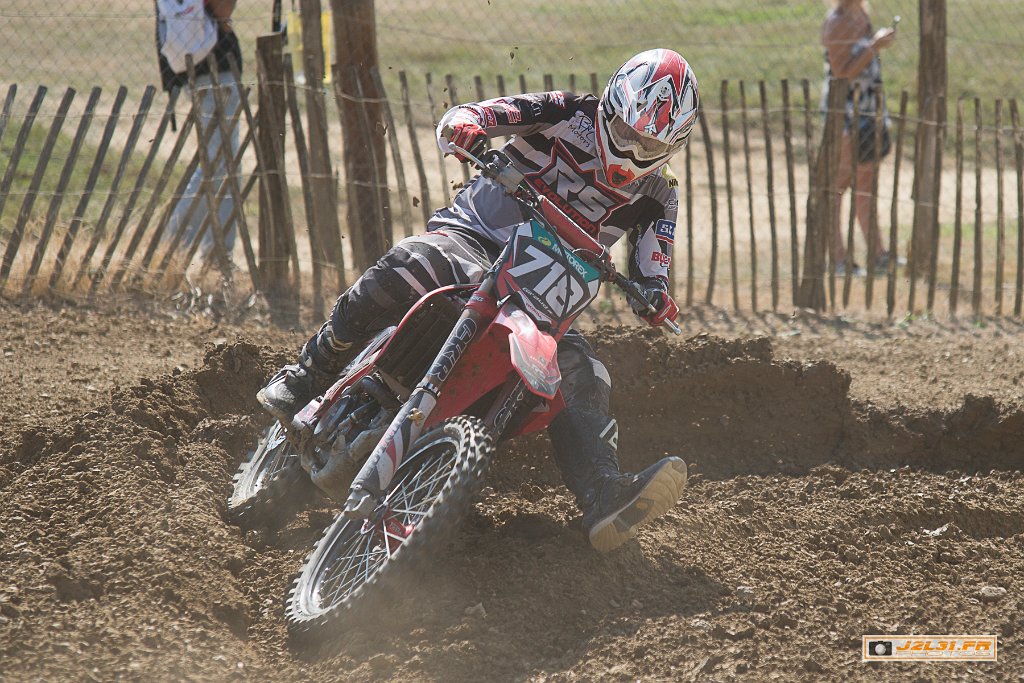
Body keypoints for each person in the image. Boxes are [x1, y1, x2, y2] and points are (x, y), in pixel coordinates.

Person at [258, 49, 699, 552]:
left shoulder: (660, 194)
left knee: (585, 373)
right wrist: (467, 127)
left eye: (650, 144)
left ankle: (602, 492)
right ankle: (308, 373)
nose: (633, 150)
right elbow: (482, 114)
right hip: (474, 240)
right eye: (625, 132)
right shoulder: (566, 111)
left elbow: (652, 269)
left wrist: (654, 299)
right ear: (610, 108)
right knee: (412, 261)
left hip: (545, 296)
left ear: (674, 145)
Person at [155, 0, 242, 258]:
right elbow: (222, 8)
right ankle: (176, 248)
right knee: (220, 164)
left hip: (194, 63)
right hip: (213, 65)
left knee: (218, 163)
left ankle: (198, 250)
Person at [822, 0, 900, 275]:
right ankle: (838, 259)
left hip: (868, 110)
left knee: (866, 185)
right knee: (838, 185)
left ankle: (878, 254)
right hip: (844, 114)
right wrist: (874, 46)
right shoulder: (836, 22)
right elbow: (841, 72)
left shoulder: (862, 15)